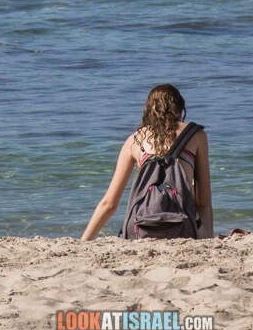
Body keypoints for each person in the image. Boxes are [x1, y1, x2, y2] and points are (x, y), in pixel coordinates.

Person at [81, 83, 213, 240]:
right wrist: (207, 238)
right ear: (180, 108)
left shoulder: (135, 140)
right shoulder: (196, 135)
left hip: (139, 229)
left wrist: (83, 242)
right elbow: (203, 202)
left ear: (148, 110)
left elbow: (109, 204)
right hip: (181, 228)